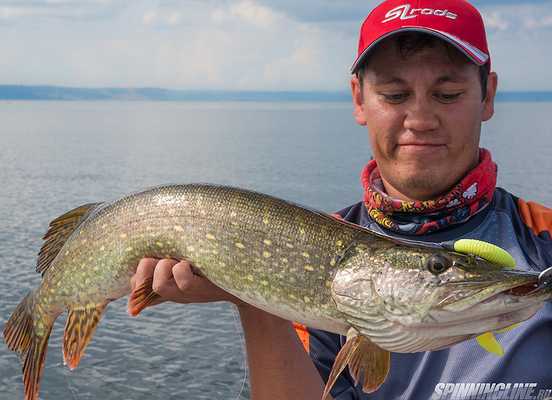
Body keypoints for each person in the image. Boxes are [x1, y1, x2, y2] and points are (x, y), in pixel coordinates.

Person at [129, 0, 552, 398]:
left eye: (447, 94)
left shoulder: (544, 241)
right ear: (359, 99)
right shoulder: (305, 254)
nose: (421, 120)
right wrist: (253, 297)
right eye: (394, 94)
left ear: (488, 96)